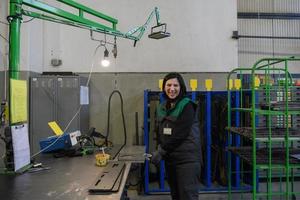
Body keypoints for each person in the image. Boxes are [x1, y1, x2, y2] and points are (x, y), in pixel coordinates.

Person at [150, 72, 202, 200]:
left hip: (187, 161)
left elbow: (181, 133)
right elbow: (160, 132)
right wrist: (159, 150)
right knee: (176, 195)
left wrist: (161, 151)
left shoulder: (187, 105)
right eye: (168, 85)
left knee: (187, 195)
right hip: (171, 160)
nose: (171, 89)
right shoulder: (162, 107)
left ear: (181, 87)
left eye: (175, 85)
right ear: (164, 87)